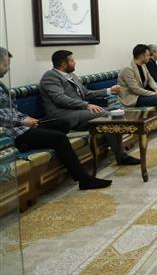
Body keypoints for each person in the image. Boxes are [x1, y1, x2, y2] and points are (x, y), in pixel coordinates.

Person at [0, 47, 111, 190]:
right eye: (6, 65)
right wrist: (21, 121)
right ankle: (83, 179)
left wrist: (26, 117)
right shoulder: (50, 77)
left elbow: (9, 110)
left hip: (22, 124)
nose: (8, 69)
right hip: (13, 131)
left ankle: (28, 144)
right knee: (60, 138)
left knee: (62, 124)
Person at [39, 50, 140, 166]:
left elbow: (86, 93)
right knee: (106, 116)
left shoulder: (71, 76)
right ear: (63, 64)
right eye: (72, 60)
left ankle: (119, 150)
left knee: (115, 112)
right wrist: (86, 105)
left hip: (79, 112)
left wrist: (109, 91)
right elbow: (60, 99)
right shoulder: (50, 77)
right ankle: (122, 156)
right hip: (63, 116)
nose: (75, 62)